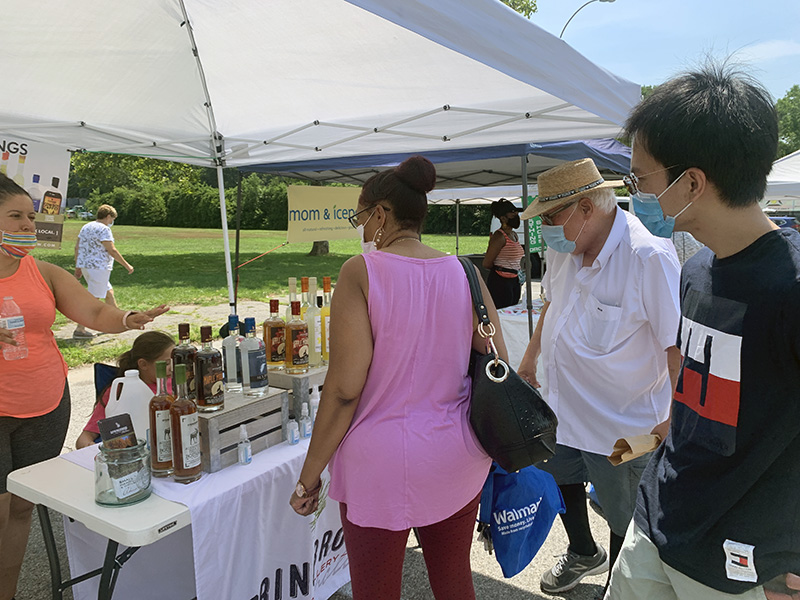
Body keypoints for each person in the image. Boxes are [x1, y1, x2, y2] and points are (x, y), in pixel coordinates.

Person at [606, 64, 800, 600]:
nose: (634, 192)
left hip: (741, 561)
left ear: (690, 182)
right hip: (657, 522)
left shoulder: (791, 288)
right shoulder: (695, 271)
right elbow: (695, 387)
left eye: (639, 178)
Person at [288, 155, 508, 600]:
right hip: (455, 452)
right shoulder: (465, 272)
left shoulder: (361, 272)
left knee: (376, 591)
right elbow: (498, 360)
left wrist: (308, 476)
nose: (361, 229)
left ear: (381, 214)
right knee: (453, 580)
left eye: (360, 218)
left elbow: (345, 389)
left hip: (379, 461)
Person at [516, 158, 681, 596]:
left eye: (551, 217)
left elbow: (675, 347)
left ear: (585, 208)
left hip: (622, 426)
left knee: (624, 513)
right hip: (561, 409)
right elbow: (551, 304)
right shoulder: (563, 249)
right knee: (559, 476)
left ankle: (617, 585)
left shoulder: (648, 257)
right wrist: (531, 358)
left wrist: (674, 419)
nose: (546, 229)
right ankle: (582, 550)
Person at [0, 173, 168, 600]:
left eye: (30, 217)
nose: (27, 226)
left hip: (46, 406)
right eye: (15, 216)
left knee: (22, 506)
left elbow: (93, 311)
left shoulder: (43, 271)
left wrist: (128, 319)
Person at [76, 330, 175, 449]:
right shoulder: (119, 392)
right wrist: (91, 449)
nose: (172, 368)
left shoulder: (175, 385)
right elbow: (85, 437)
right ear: (143, 364)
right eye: (166, 363)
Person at [73, 204, 134, 339]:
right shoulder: (104, 229)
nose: (112, 222)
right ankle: (80, 328)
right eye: (112, 219)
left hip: (87, 266)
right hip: (98, 267)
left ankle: (118, 321)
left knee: (108, 292)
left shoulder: (86, 227)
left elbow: (77, 247)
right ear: (108, 216)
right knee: (94, 300)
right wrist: (126, 265)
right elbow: (111, 250)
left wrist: (78, 266)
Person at [483, 198, 525, 308]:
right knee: (502, 311)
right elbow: (487, 263)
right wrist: (502, 269)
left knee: (513, 309)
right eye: (512, 213)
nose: (516, 215)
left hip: (514, 280)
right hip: (500, 281)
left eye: (516, 212)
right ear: (503, 218)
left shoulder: (514, 234)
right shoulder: (499, 237)